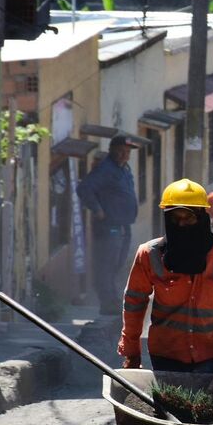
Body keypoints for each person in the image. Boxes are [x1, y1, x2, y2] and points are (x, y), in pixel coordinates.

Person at [119, 178, 213, 375]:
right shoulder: (149, 254)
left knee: (204, 403)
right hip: (167, 352)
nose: (181, 225)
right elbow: (134, 303)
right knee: (170, 403)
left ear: (203, 217)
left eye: (188, 218)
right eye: (175, 220)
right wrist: (131, 351)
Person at [77, 135, 139, 315]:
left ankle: (113, 300)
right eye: (120, 151)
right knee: (107, 264)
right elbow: (84, 188)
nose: (124, 155)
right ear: (112, 150)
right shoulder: (106, 169)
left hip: (123, 225)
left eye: (127, 152)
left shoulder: (124, 169)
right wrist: (97, 209)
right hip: (109, 226)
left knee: (118, 263)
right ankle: (107, 304)